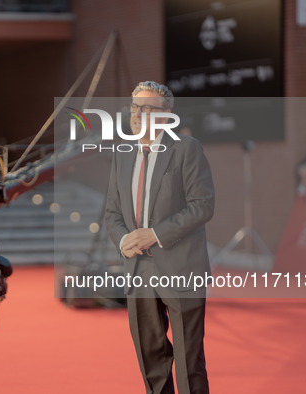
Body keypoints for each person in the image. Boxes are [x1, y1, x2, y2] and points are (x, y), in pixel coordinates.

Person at [104, 81, 215, 394]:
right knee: (150, 357)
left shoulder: (186, 149)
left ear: (167, 116)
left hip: (181, 267)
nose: (139, 114)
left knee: (189, 361)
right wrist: (123, 239)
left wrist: (153, 235)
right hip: (138, 270)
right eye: (135, 107)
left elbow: (203, 205)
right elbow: (112, 212)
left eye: (148, 107)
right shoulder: (123, 154)